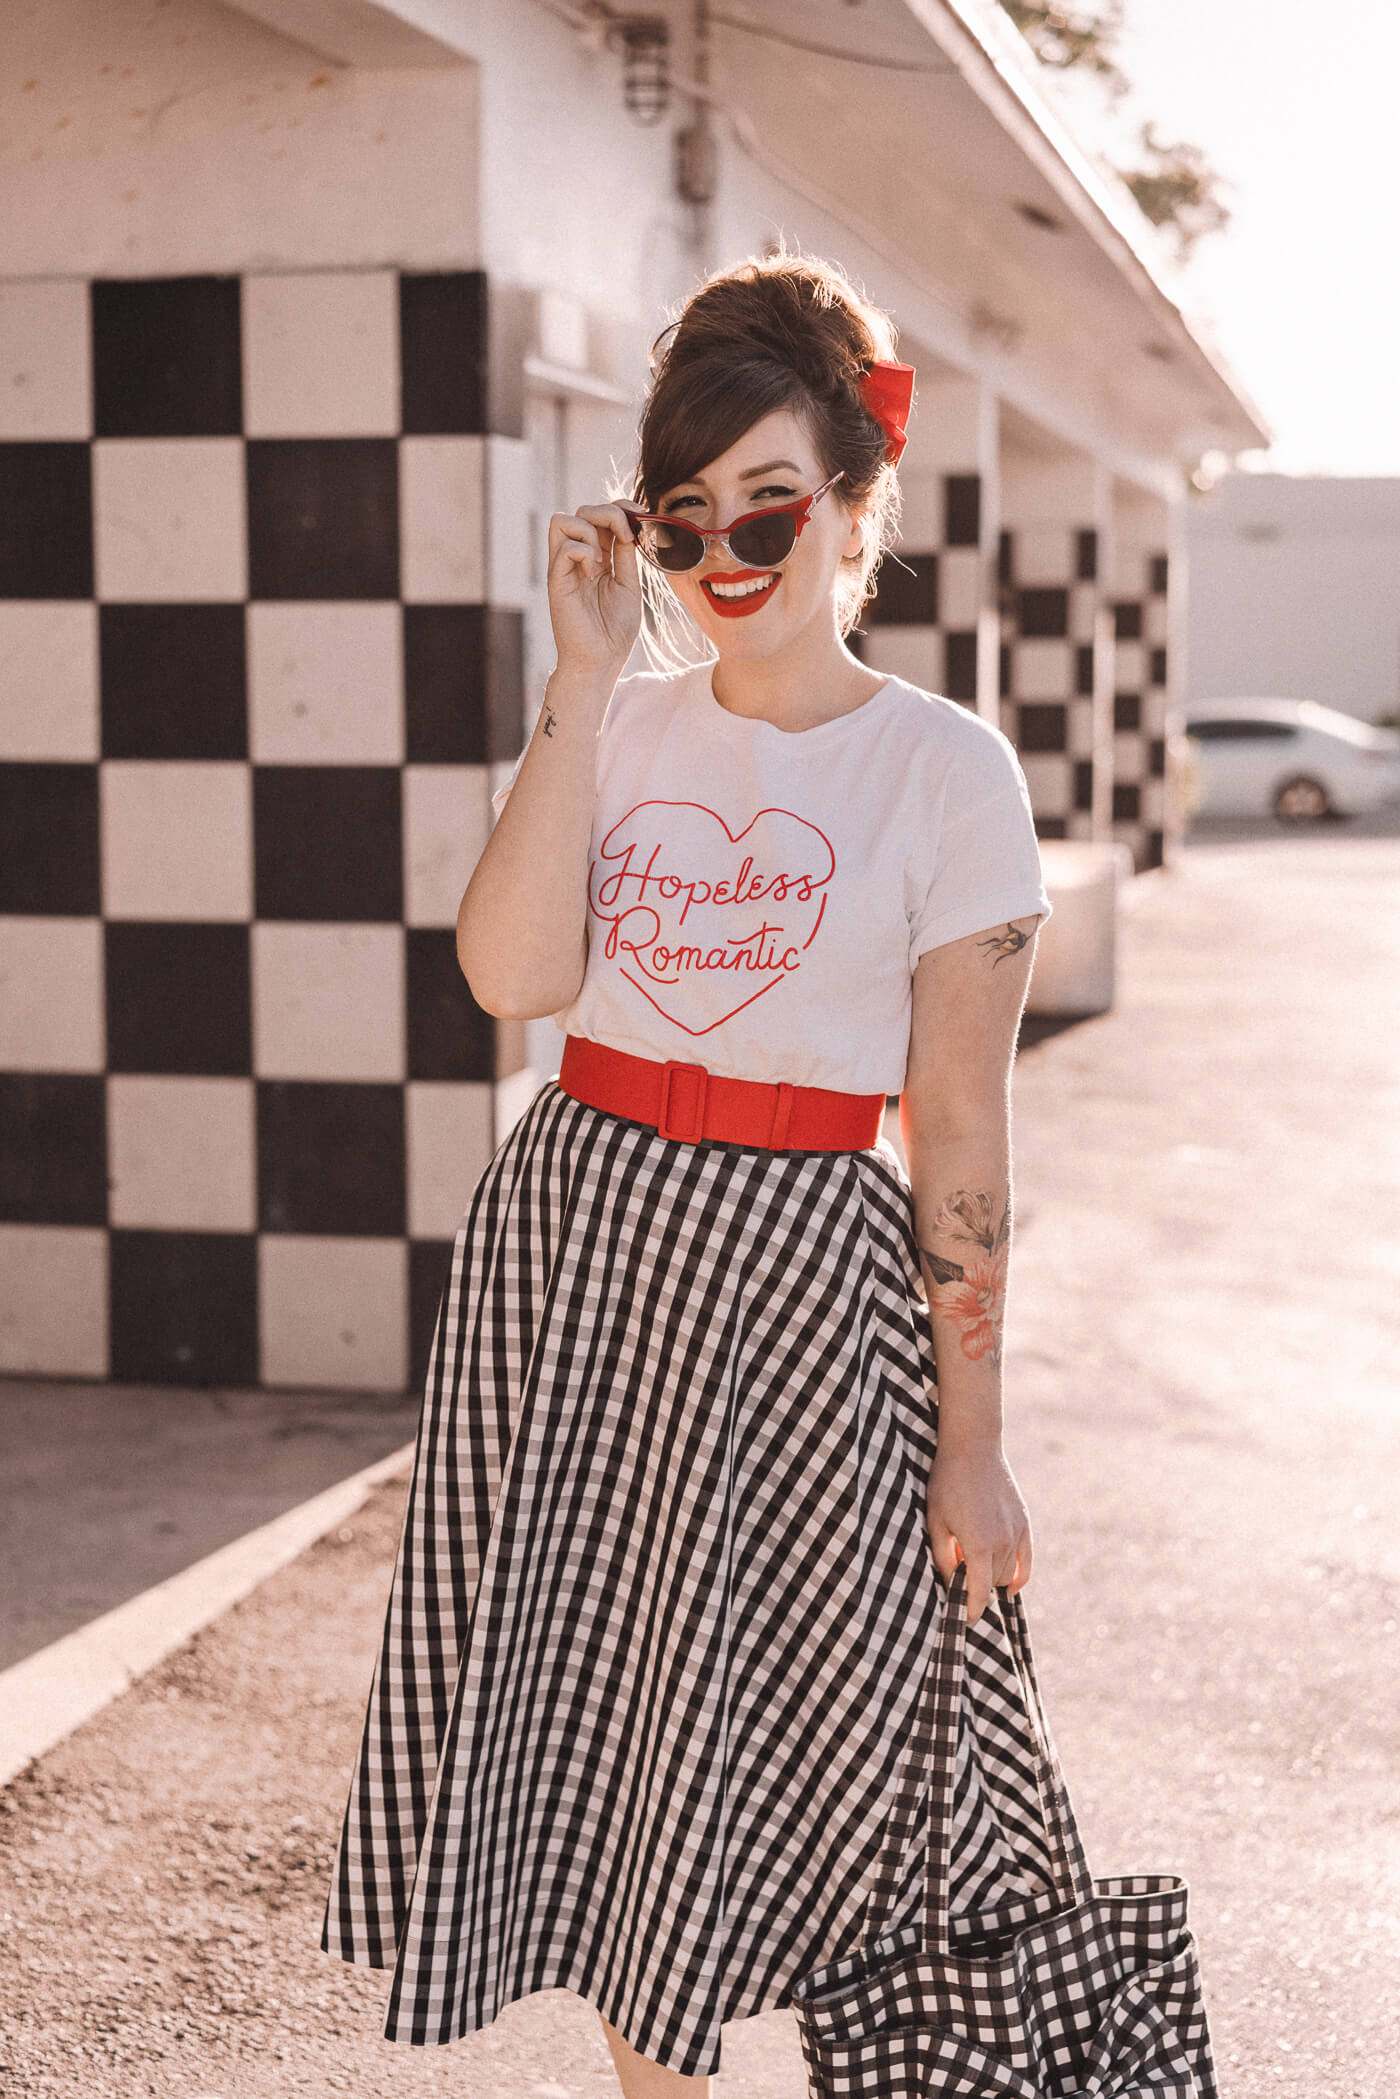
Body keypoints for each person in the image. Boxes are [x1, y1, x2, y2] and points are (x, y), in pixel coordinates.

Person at [321, 253, 1056, 2099]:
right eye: (685, 520)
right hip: (581, 1249)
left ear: (853, 505)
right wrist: (576, 687)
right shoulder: (619, 720)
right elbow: (509, 980)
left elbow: (958, 1133)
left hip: (804, 1278)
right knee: (620, 1741)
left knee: (817, 1741)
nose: (729, 554)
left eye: (770, 505)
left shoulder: (947, 772)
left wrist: (973, 1432)